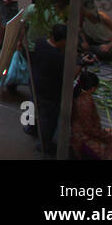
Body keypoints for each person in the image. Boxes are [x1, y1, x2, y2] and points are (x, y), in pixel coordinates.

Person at [71, 71, 112, 159]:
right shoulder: (85, 102)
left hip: (84, 134)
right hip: (85, 140)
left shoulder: (79, 96)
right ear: (92, 88)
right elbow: (90, 129)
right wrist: (107, 134)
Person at [28, 23, 68, 155]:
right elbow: (66, 76)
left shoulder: (40, 43)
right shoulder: (59, 57)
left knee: (31, 104)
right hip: (49, 91)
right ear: (63, 40)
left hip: (34, 81)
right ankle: (44, 144)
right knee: (48, 118)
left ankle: (29, 126)